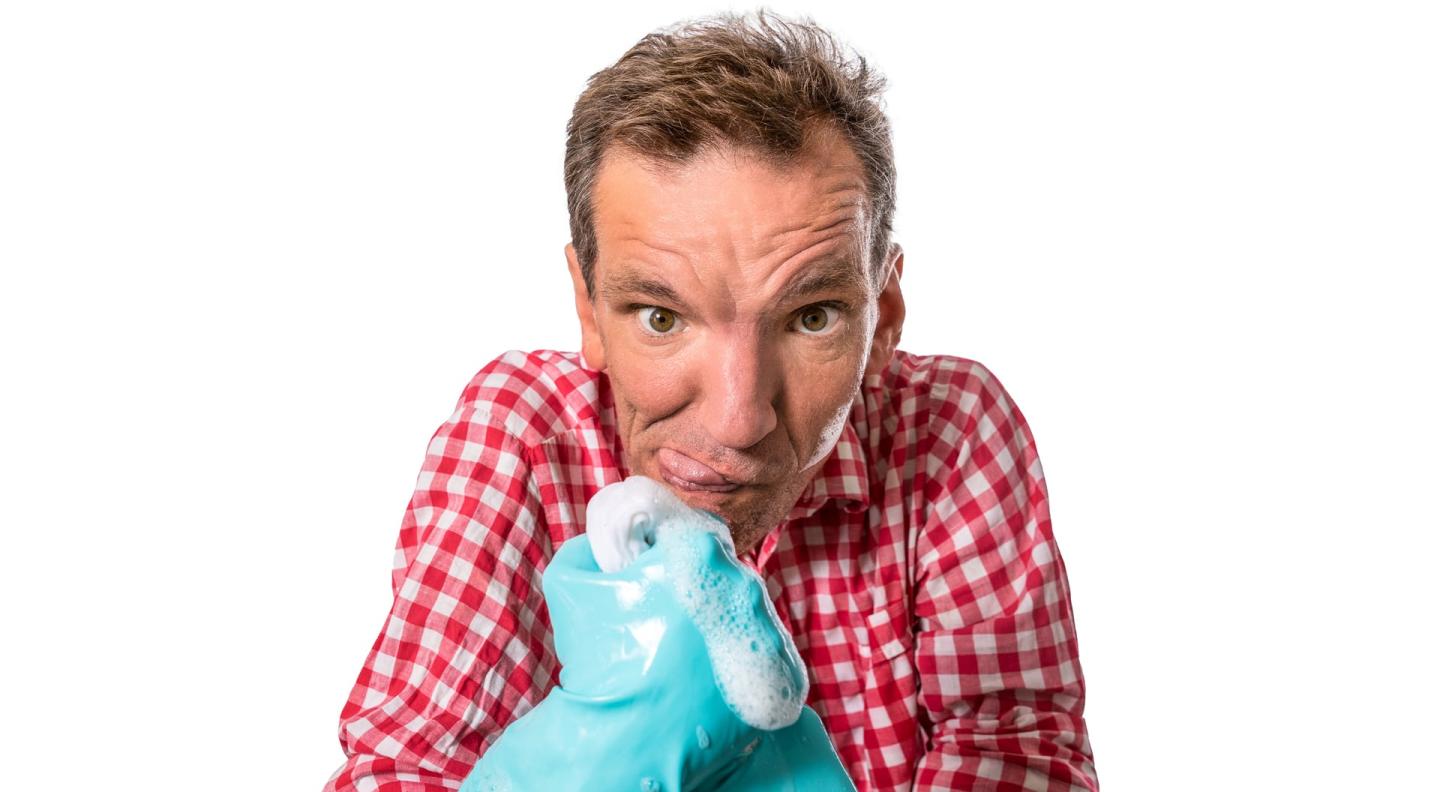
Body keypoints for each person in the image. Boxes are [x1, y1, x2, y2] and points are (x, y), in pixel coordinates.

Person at [324, 9, 1098, 791]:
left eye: (811, 317)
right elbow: (403, 767)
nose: (737, 420)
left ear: (883, 314)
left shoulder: (953, 432)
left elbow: (1018, 753)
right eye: (662, 318)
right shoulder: (522, 436)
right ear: (588, 309)